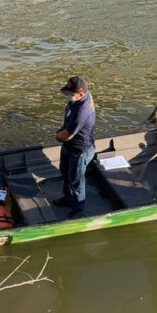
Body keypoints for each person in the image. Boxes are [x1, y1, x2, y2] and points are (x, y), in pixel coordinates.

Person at [53, 76, 96, 218]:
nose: (69, 96)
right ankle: (67, 198)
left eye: (71, 94)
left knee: (76, 181)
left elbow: (67, 135)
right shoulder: (81, 98)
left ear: (81, 93)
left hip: (79, 150)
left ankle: (78, 209)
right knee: (65, 172)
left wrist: (57, 135)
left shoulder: (82, 111)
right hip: (69, 146)